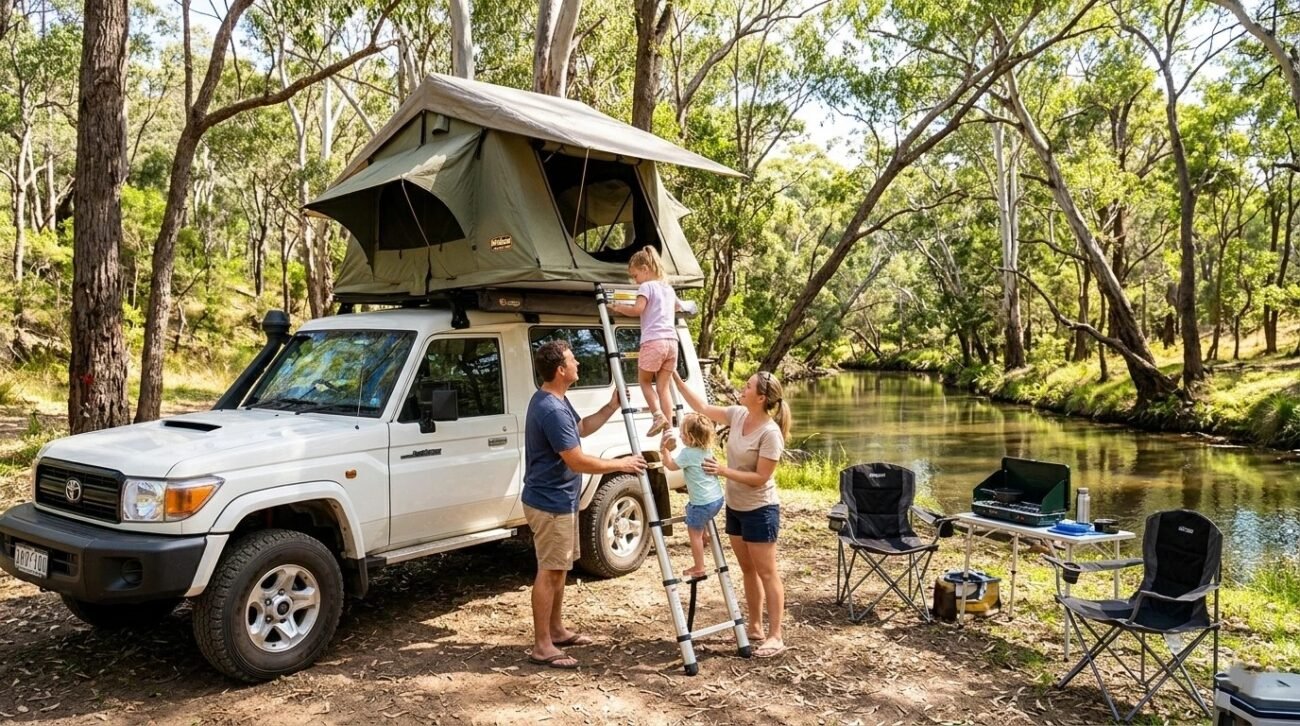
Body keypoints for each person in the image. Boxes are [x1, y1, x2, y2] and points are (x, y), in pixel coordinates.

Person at [524, 340, 647, 669]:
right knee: (549, 572)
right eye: (572, 358)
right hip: (549, 503)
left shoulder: (557, 402)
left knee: (560, 569)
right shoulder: (550, 409)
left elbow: (579, 430)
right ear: (561, 370)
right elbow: (576, 460)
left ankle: (556, 629)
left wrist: (611, 407)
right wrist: (621, 465)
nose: (578, 362)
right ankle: (542, 646)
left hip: (560, 500)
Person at [672, 368, 790, 658]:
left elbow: (762, 477)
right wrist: (675, 377)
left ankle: (775, 635)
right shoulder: (738, 414)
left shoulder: (770, 433)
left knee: (767, 571)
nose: (742, 388)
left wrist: (723, 470)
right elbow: (700, 407)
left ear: (761, 398)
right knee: (748, 569)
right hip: (735, 507)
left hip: (760, 509)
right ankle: (754, 626)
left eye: (748, 386)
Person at [611, 246, 680, 437]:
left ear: (645, 269)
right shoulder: (668, 288)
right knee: (663, 387)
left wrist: (618, 307)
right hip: (672, 343)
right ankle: (669, 433)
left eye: (635, 275)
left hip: (654, 341)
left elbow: (637, 309)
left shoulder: (646, 287)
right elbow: (678, 307)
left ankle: (657, 415)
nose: (635, 280)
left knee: (644, 381)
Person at [659, 412, 724, 578]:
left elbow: (671, 466)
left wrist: (664, 449)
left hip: (702, 503)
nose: (680, 436)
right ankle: (705, 534)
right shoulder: (706, 450)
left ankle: (699, 567)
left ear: (690, 437)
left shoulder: (688, 454)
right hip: (716, 499)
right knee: (689, 508)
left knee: (692, 532)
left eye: (682, 433)